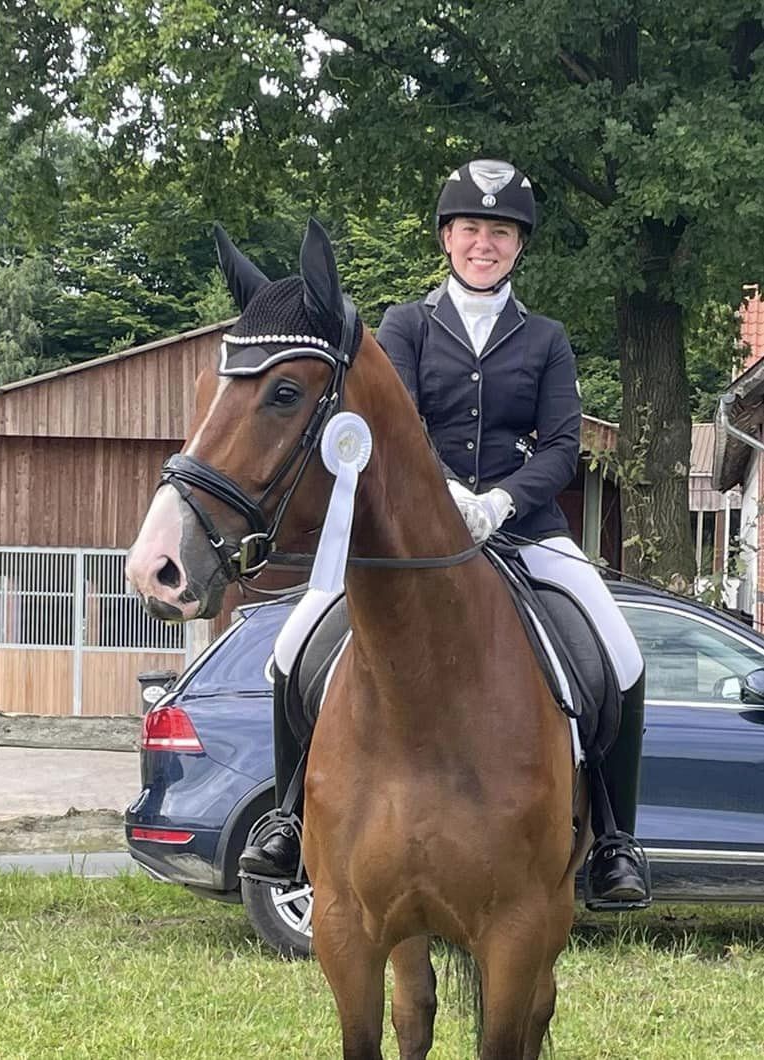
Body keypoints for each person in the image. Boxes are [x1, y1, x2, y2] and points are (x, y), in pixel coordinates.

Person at [240, 158, 650, 909]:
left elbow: (561, 444)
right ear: (446, 239)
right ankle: (288, 818)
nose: (483, 244)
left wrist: (496, 501)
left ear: (517, 245)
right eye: (470, 229)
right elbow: (390, 428)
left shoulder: (546, 338)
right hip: (411, 536)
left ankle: (615, 840)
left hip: (522, 531)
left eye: (499, 232)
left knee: (619, 655)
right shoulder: (406, 325)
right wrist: (443, 492)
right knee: (289, 648)